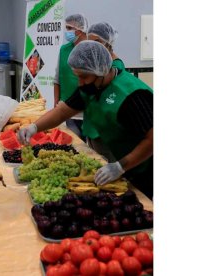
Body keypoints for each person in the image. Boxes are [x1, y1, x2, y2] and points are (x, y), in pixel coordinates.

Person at [19, 41, 153, 199]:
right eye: (77, 77)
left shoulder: (131, 95)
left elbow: (153, 139)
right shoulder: (91, 88)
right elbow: (62, 111)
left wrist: (120, 166)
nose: (80, 83)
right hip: (129, 163)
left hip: (149, 166)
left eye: (84, 77)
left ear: (101, 71)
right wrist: (34, 127)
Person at [83, 21, 125, 162]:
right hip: (92, 126)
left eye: (97, 42)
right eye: (89, 42)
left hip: (106, 132)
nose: (92, 46)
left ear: (108, 43)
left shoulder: (115, 66)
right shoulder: (96, 63)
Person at [54, 14, 88, 141]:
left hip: (87, 112)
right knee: (74, 146)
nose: (66, 31)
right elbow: (57, 79)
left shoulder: (91, 50)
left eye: (69, 28)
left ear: (79, 30)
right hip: (66, 109)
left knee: (89, 151)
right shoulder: (64, 50)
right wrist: (56, 105)